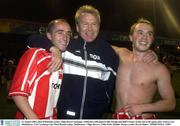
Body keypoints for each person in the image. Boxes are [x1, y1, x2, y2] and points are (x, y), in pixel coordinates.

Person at [27, 5, 157, 119]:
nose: (90, 28)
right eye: (85, 24)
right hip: (64, 116)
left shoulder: (108, 52)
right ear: (77, 27)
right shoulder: (66, 45)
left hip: (96, 117)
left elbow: (131, 63)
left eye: (94, 24)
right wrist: (54, 49)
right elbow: (32, 39)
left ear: (99, 26)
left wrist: (148, 53)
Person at [8, 19, 72, 119]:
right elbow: (18, 94)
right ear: (49, 36)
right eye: (60, 33)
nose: (65, 37)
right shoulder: (35, 54)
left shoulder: (63, 58)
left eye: (68, 34)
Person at [113, 18, 176, 119]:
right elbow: (100, 44)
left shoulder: (159, 69)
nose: (145, 38)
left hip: (142, 119)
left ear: (152, 39)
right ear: (130, 37)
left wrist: (142, 108)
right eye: (140, 32)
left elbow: (171, 103)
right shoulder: (122, 53)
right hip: (118, 118)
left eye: (149, 34)